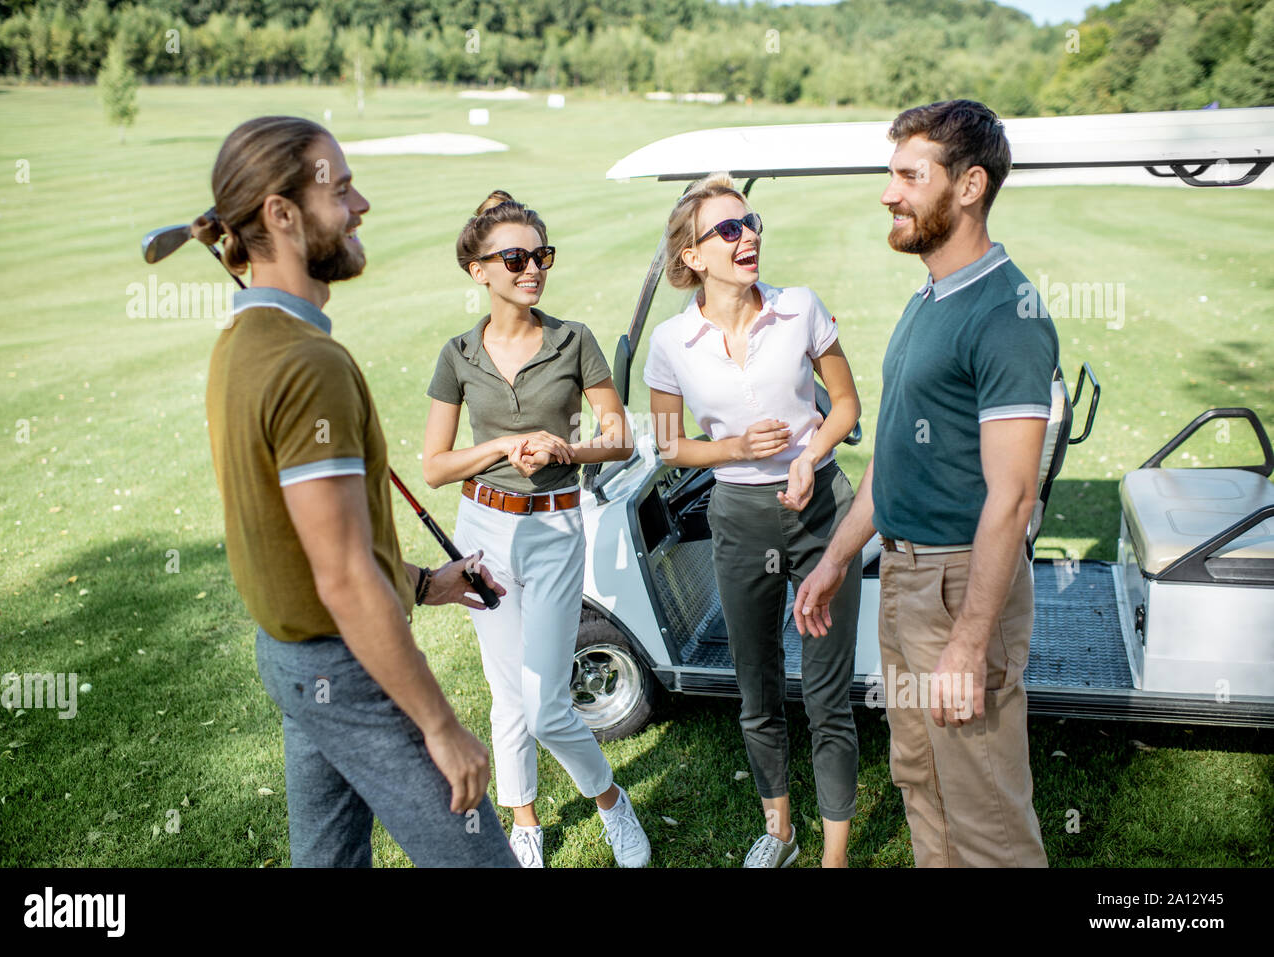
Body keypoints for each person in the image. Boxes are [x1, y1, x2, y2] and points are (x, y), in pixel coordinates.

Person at [199, 116, 517, 867]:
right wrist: (441, 725)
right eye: (339, 189)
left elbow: (301, 546)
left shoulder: (239, 345)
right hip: (345, 669)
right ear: (281, 214)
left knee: (328, 859)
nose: (360, 204)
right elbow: (341, 577)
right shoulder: (308, 364)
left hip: (293, 660)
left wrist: (422, 582)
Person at [794, 100, 1057, 868]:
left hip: (957, 586)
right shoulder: (928, 298)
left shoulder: (1007, 312)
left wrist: (971, 642)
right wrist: (839, 557)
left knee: (985, 816)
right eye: (891, 173)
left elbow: (1012, 498)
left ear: (969, 185)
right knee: (921, 781)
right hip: (905, 577)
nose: (889, 193)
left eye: (910, 175)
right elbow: (894, 458)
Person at [421, 190, 650, 868]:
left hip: (554, 530)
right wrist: (500, 447)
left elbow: (620, 437)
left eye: (541, 255)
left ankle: (611, 800)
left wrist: (564, 449)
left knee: (546, 702)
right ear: (479, 271)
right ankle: (525, 821)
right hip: (482, 531)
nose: (533, 268)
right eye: (516, 257)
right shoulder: (457, 353)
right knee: (506, 696)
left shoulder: (572, 339)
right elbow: (434, 466)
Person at [643, 172, 864, 868]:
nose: (750, 236)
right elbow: (670, 444)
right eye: (730, 229)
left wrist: (812, 452)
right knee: (757, 685)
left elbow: (849, 405)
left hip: (821, 510)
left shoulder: (800, 309)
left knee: (828, 694)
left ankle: (833, 857)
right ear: (692, 257)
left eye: (752, 222)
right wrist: (734, 449)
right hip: (737, 515)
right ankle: (779, 830)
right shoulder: (671, 343)